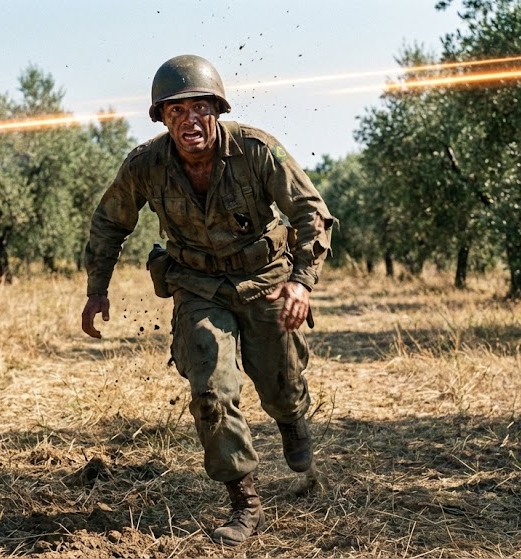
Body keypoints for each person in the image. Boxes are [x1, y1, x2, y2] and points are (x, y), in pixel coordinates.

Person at [80, 54, 335, 545]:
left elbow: (311, 212)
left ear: (216, 110)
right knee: (211, 392)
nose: (189, 121)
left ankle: (292, 419)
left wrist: (301, 282)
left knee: (280, 383)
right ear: (162, 117)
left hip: (265, 281)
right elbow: (109, 223)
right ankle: (244, 502)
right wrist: (97, 290)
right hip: (198, 288)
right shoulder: (145, 165)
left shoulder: (258, 150)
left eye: (200, 108)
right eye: (176, 111)